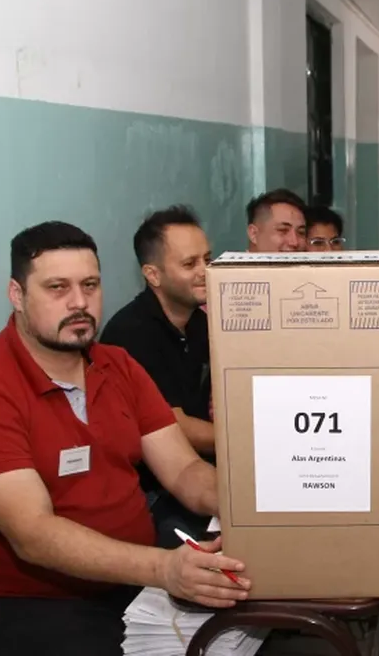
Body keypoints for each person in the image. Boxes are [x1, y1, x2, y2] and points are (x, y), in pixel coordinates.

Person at [0, 222, 250, 656]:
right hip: (24, 602)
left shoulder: (117, 365)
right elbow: (34, 534)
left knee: (261, 615)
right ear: (17, 295)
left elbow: (184, 470)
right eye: (57, 288)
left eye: (90, 285)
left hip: (128, 579)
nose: (79, 302)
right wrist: (164, 568)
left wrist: (250, 509)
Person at [100, 206, 214, 547]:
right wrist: (251, 442)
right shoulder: (132, 333)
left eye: (207, 259)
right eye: (190, 264)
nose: (205, 271)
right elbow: (175, 425)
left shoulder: (200, 323)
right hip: (150, 491)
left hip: (194, 473)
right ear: (153, 275)